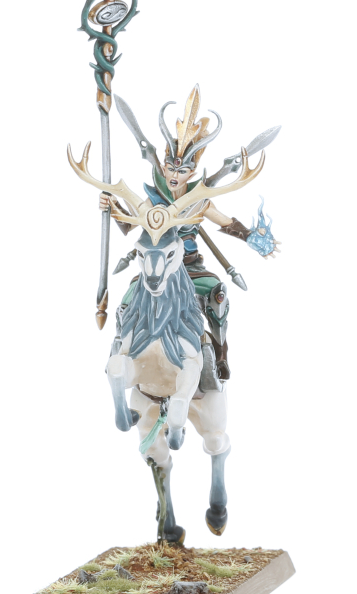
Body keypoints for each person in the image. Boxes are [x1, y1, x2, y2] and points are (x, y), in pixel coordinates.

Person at [99, 85, 280, 380]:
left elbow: (225, 222)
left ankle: (219, 354)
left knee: (218, 295)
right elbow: (130, 226)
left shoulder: (200, 201)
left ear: (192, 174)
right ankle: (120, 348)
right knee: (128, 301)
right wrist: (113, 205)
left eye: (182, 171)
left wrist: (252, 238)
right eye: (170, 168)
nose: (174, 175)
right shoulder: (152, 201)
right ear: (163, 166)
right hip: (154, 268)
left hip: (190, 268)